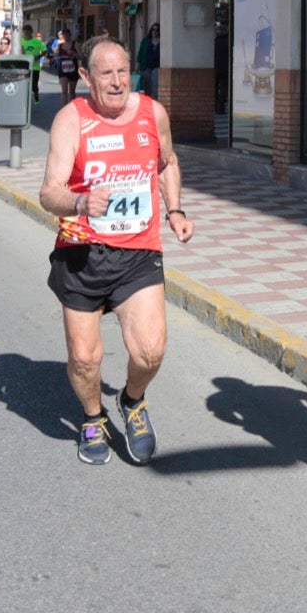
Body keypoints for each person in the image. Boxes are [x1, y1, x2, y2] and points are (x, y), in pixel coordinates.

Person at [38, 38, 195, 465]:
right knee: (85, 359)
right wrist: (79, 202)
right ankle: (93, 416)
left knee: (150, 350)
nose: (116, 81)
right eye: (105, 73)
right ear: (85, 76)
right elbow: (49, 192)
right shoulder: (71, 120)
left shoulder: (152, 113)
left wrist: (175, 210)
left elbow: (167, 162)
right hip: (82, 253)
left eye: (123, 71)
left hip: (137, 251)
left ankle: (132, 400)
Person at [54, 28, 81, 105]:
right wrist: (56, 55)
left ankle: (73, 107)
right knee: (64, 90)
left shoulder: (75, 44)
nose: (65, 36)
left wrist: (74, 54)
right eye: (64, 35)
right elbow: (56, 56)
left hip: (73, 69)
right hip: (63, 70)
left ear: (70, 35)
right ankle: (64, 108)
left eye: (67, 34)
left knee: (72, 91)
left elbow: (80, 57)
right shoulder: (60, 45)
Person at [21, 25, 48, 104]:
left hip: (35, 67)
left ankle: (36, 95)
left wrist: (38, 56)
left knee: (34, 85)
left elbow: (44, 51)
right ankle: (25, 99)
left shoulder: (37, 42)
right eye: (25, 31)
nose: (26, 33)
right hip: (24, 67)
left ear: (31, 32)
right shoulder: (21, 41)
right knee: (25, 84)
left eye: (28, 31)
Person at [136, 23, 162, 100]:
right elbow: (140, 53)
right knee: (147, 87)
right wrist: (137, 65)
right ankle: (148, 101)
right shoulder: (145, 41)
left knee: (154, 87)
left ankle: (154, 101)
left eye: (157, 30)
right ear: (151, 31)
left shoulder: (162, 41)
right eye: (153, 30)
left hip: (157, 67)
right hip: (146, 67)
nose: (155, 32)